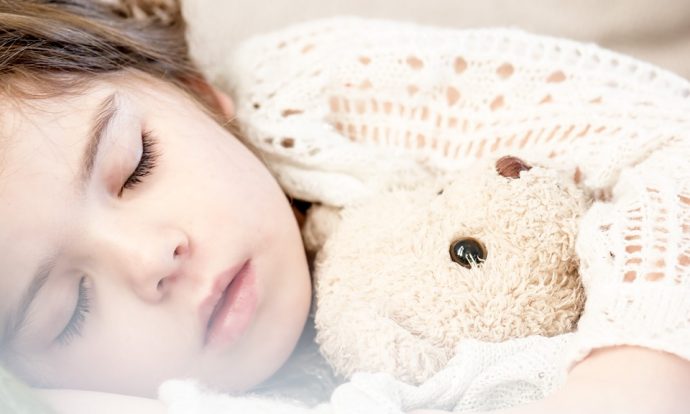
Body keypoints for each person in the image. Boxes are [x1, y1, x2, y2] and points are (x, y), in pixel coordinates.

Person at [0, 1, 689, 414]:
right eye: (70, 310)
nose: (154, 256)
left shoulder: (314, 92)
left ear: (197, 92)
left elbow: (665, 134)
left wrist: (638, 367)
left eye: (138, 165)